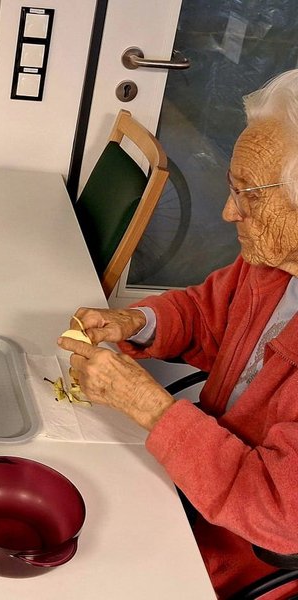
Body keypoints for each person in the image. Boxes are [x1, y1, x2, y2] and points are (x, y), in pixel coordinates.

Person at [58, 70, 298, 599]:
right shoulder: (274, 264)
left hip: (237, 556)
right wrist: (134, 322)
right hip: (188, 483)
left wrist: (150, 408)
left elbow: (278, 514)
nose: (229, 212)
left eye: (248, 196)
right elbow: (205, 315)